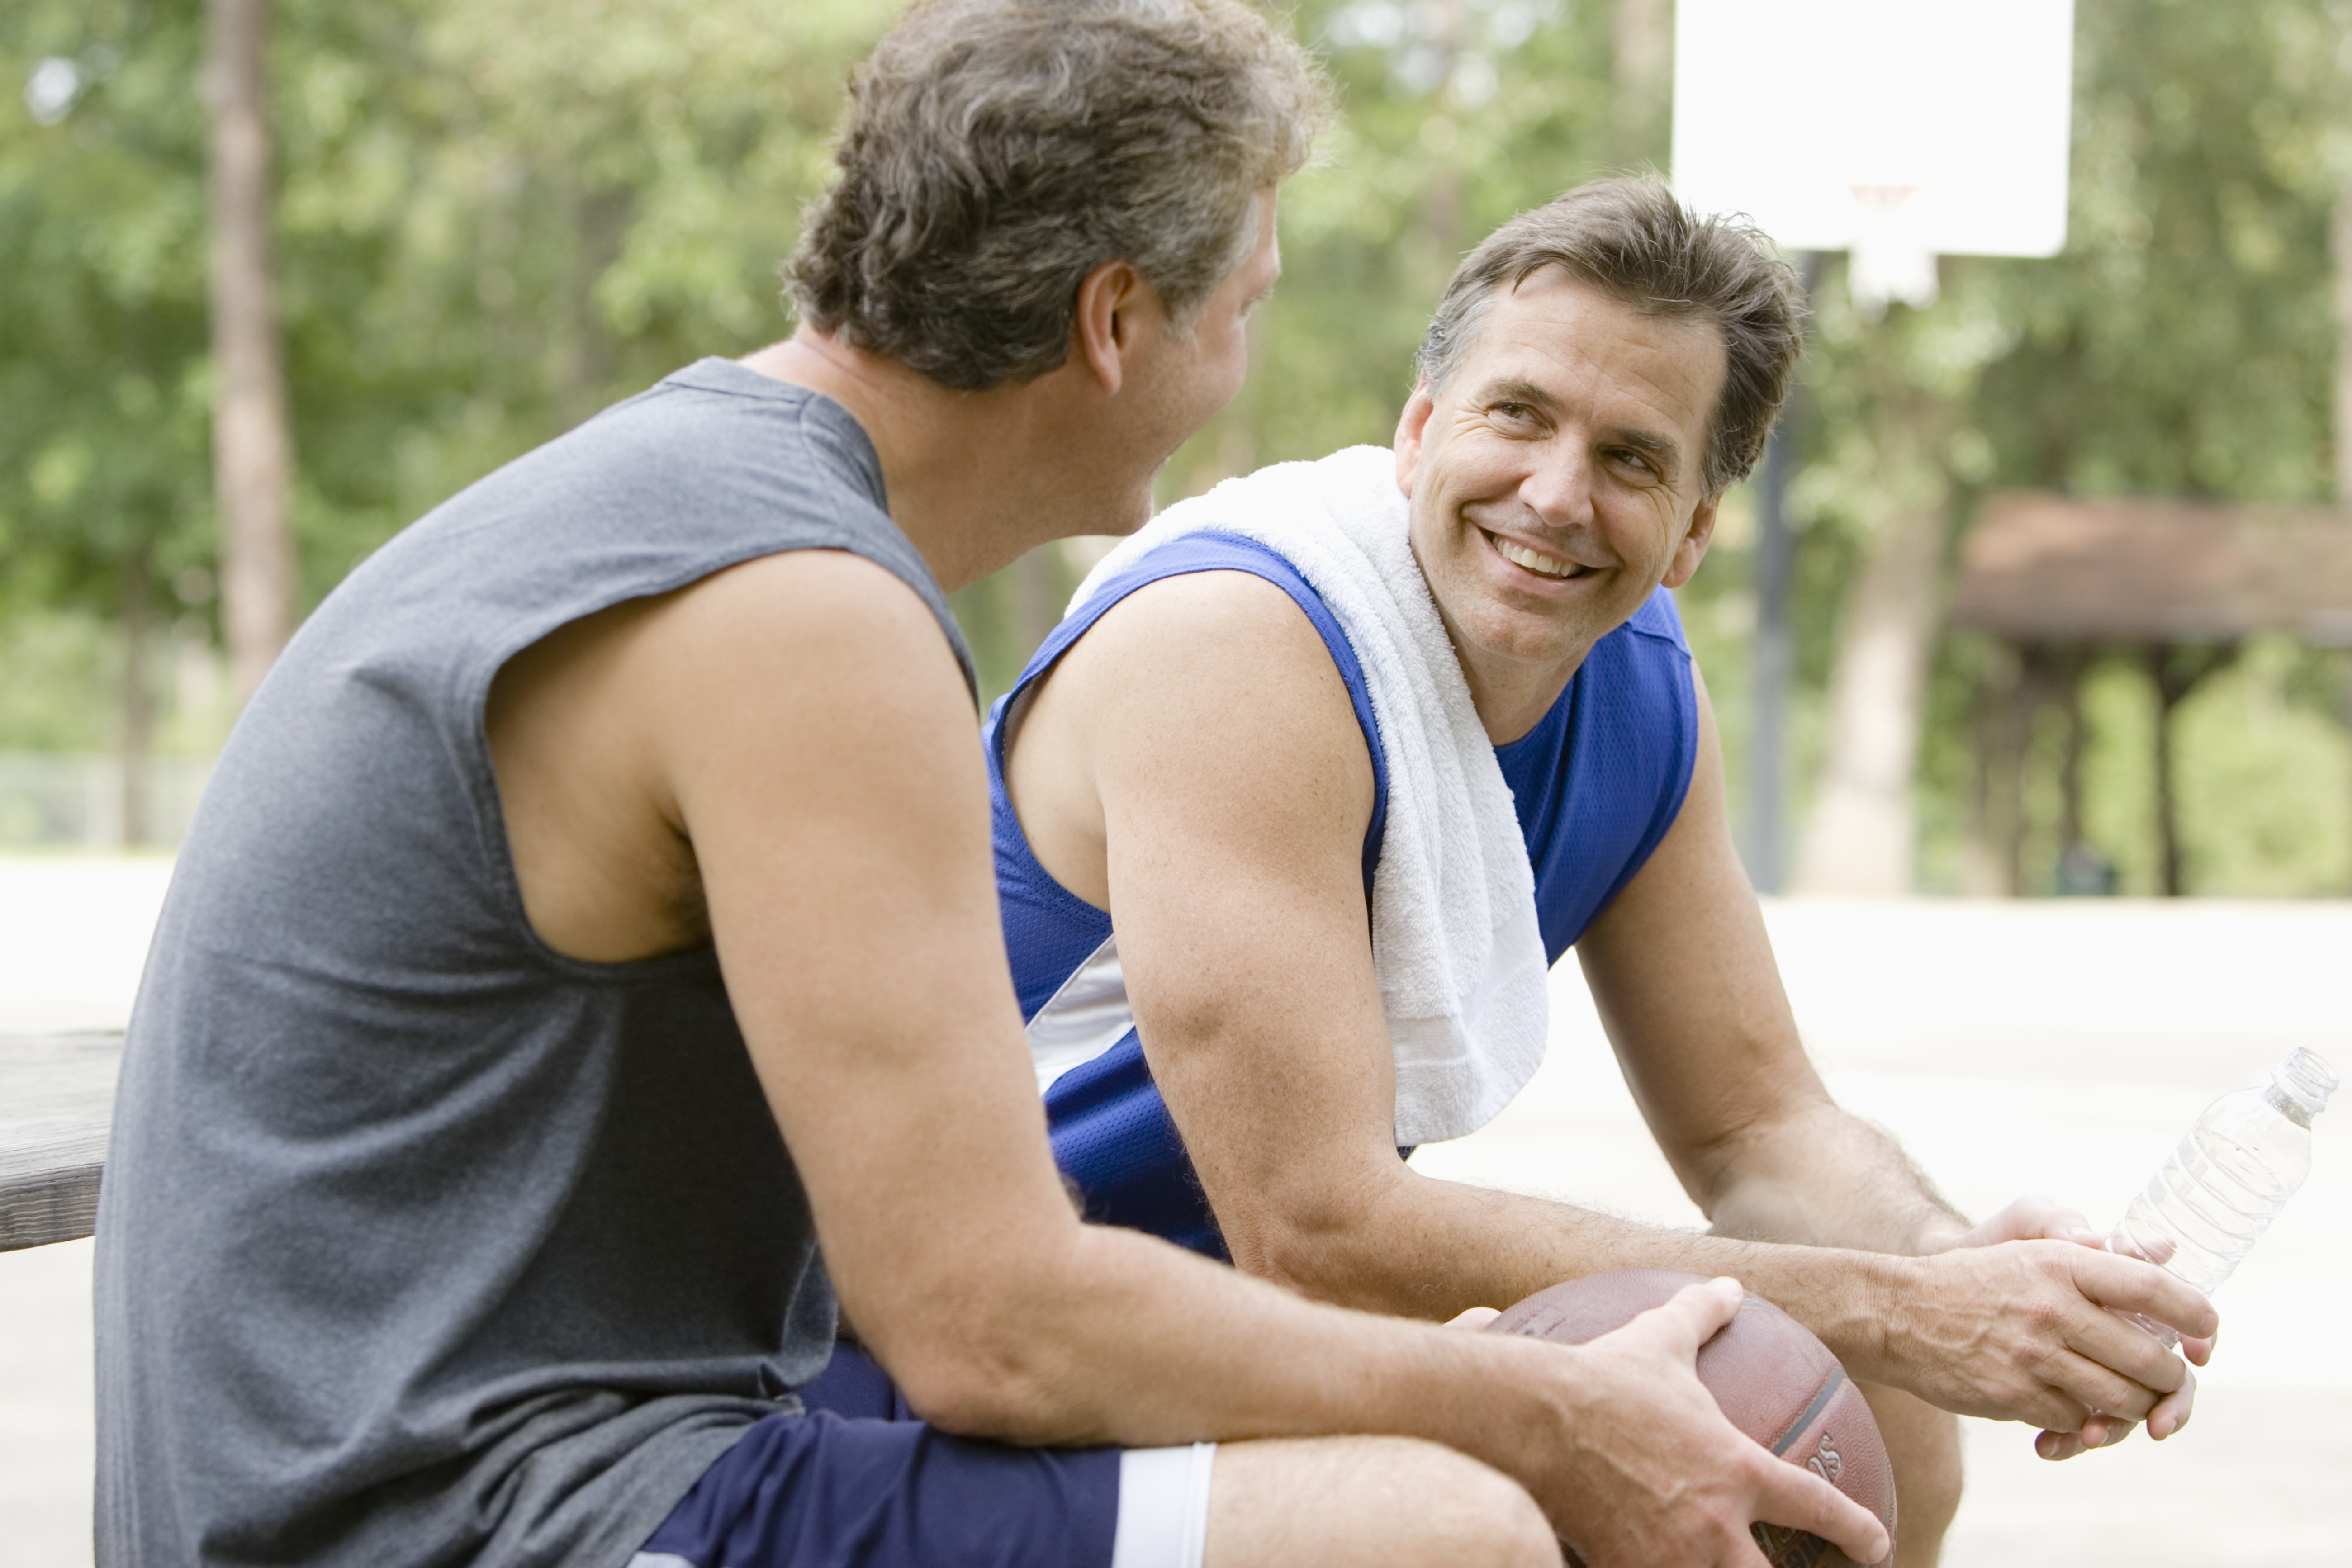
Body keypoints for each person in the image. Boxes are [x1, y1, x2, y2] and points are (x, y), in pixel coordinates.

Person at [91, 10, 1899, 1568]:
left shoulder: (699, 499)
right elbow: (989, 1323)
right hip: (458, 1512)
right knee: (1446, 1527)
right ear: (1117, 321)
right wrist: (1538, 1408)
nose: (1246, 365)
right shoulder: (802, 610)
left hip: (456, 1458)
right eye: (1245, 305)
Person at [982, 177, 2219, 1568]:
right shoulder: (1237, 644)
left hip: (1232, 1338)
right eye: (1519, 414)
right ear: (1418, 428)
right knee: (1492, 1515)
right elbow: (1318, 1229)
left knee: (1875, 1408)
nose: (1558, 495)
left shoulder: (1633, 682)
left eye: (1631, 458)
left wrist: (1958, 1264)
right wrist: (1899, 1305)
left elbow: (1758, 1128)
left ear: (1691, 531)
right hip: (961, 1355)